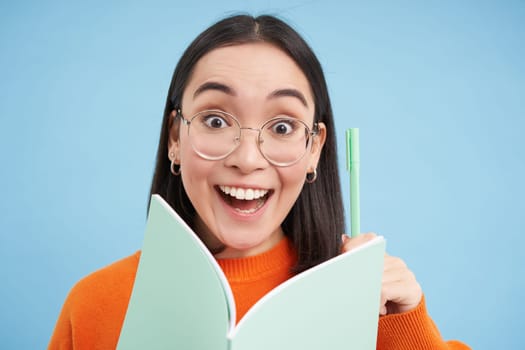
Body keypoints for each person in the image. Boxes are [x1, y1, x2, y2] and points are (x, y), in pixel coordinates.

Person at [49, 14, 470, 349]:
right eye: (216, 120)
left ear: (314, 150)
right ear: (175, 138)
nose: (247, 160)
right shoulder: (93, 306)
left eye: (283, 127)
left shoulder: (374, 306)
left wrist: (405, 327)